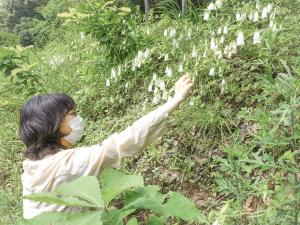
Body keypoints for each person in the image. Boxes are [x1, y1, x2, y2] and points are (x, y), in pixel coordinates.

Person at [20, 74, 194, 219]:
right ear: (54, 125)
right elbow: (127, 140)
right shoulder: (71, 163)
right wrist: (176, 100)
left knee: (109, 212)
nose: (78, 119)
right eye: (72, 115)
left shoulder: (31, 166)